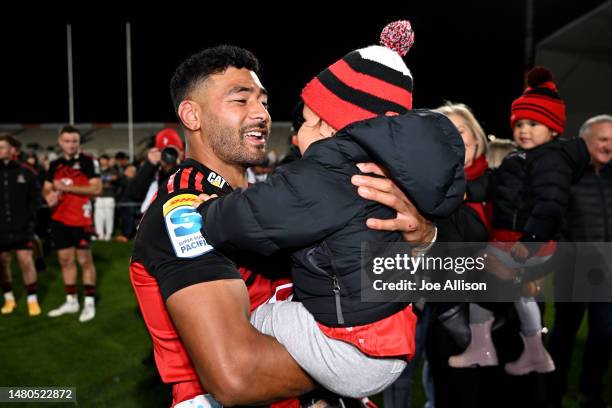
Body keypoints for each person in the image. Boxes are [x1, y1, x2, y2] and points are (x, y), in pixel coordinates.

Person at [130, 44, 440, 407]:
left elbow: (366, 281)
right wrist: (353, 364)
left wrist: (422, 238)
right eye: (240, 100)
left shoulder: (272, 199)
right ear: (191, 115)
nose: (261, 113)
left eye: (263, 101)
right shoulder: (186, 210)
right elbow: (236, 376)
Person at [195, 21, 465, 399]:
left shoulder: (328, 173)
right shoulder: (386, 170)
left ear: (325, 125)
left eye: (303, 121)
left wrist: (209, 215)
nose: (291, 130)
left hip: (355, 347)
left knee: (258, 319)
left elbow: (258, 215)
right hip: (392, 336)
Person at [448, 66, 590, 375]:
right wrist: (467, 193)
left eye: (534, 124)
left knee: (503, 285)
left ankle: (523, 351)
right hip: (512, 238)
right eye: (520, 123)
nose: (524, 130)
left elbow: (550, 205)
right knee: (499, 289)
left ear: (553, 130)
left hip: (525, 241)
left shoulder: (552, 162)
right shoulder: (518, 158)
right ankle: (499, 348)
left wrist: (531, 242)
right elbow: (495, 183)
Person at [547, 114, 612, 408]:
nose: (609, 146)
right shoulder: (566, 174)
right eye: (604, 139)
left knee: (604, 333)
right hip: (573, 268)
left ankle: (591, 393)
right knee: (564, 333)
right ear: (585, 141)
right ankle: (552, 392)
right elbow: (554, 221)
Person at [44, 125, 102, 323]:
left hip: (81, 220)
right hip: (59, 220)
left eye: (74, 141)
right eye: (67, 141)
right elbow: (47, 188)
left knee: (85, 261)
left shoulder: (88, 162)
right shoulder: (54, 165)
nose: (71, 145)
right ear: (60, 142)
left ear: (79, 143)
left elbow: (96, 189)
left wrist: (68, 188)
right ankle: (71, 301)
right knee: (65, 260)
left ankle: (89, 302)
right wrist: (49, 195)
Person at [0, 135, 42, 316]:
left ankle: (32, 299)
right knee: (3, 263)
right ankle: (9, 298)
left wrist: (29, 219)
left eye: (2, 147)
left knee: (26, 261)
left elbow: (36, 199)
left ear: (12, 150)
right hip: (1, 229)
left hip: (22, 227)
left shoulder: (26, 171)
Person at [94, 154, 119, 241]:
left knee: (109, 216)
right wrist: (104, 181)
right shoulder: (97, 170)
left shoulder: (112, 170)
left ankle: (108, 234)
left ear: (108, 161)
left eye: (104, 160)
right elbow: (95, 181)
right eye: (101, 160)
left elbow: (114, 178)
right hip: (99, 196)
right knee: (99, 216)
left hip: (109, 196)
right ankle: (100, 234)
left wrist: (101, 180)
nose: (103, 161)